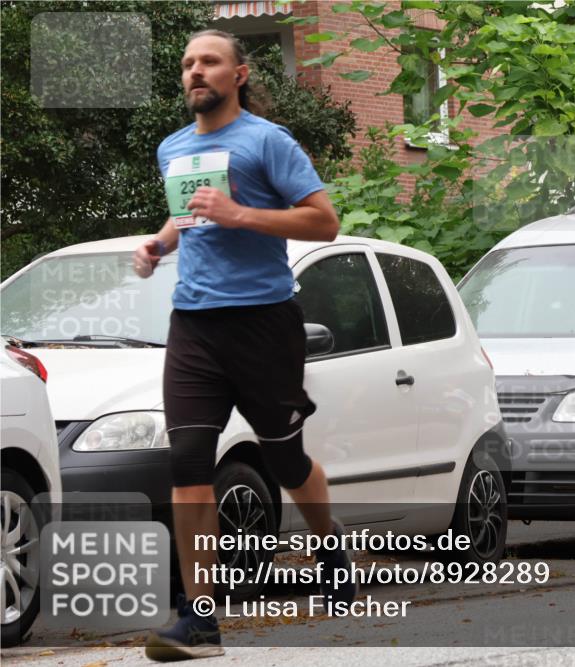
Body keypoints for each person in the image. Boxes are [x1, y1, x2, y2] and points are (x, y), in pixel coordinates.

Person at [135, 30, 354, 660]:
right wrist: (157, 244)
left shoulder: (267, 141)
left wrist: (242, 215)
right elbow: (188, 215)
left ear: (239, 74)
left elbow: (323, 219)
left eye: (208, 62)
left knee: (286, 463)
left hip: (264, 321)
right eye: (187, 65)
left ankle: (328, 544)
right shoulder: (173, 147)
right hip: (195, 325)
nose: (195, 72)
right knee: (188, 464)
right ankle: (199, 620)